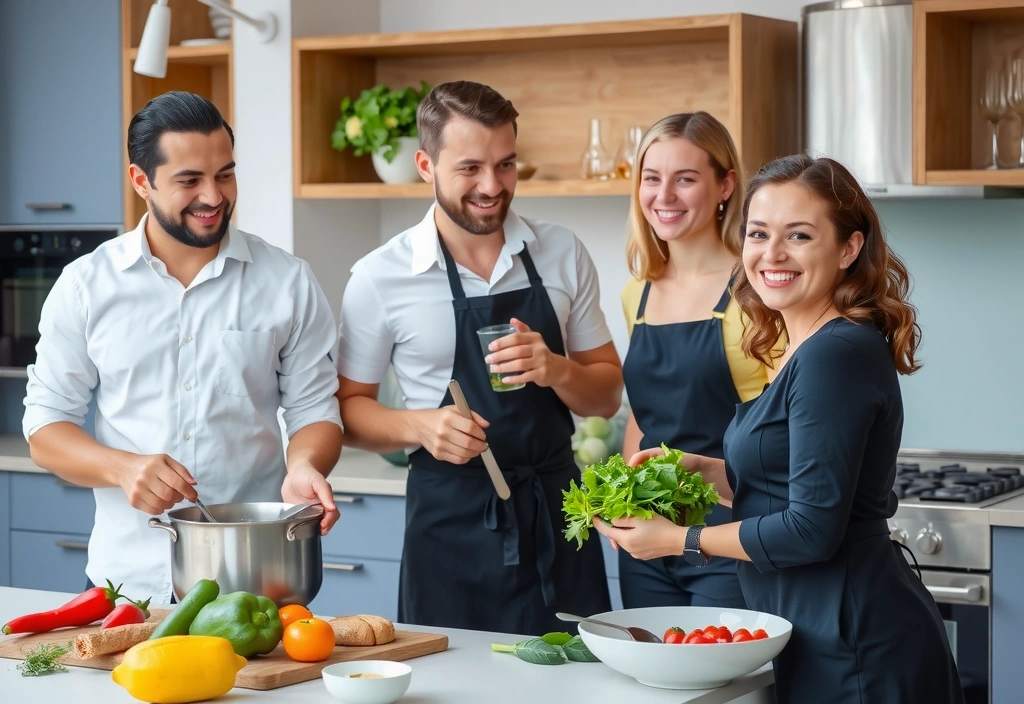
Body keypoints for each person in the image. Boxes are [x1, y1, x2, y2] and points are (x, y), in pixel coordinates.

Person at [596, 154, 965, 703]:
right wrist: (707, 473)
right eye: (758, 233)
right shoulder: (804, 345)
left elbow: (811, 528)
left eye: (798, 235)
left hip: (857, 644)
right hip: (822, 630)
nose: (771, 254)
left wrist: (680, 540)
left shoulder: (833, 354)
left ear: (849, 248)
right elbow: (791, 484)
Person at [23, 91, 344, 604]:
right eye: (189, 180)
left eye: (225, 174)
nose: (213, 196)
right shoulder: (86, 286)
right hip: (127, 585)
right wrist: (122, 468)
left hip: (255, 582)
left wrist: (305, 465)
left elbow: (315, 411)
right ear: (141, 181)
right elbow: (45, 428)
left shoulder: (288, 282)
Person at [335, 81, 622, 633]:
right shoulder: (380, 277)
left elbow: (607, 396)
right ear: (426, 165)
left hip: (559, 516)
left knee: (579, 673)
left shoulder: (561, 252)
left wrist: (556, 368)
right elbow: (347, 411)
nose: (492, 186)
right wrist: (421, 427)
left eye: (505, 165)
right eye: (470, 168)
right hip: (449, 528)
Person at [618, 112, 776, 610]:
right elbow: (644, 415)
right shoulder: (637, 293)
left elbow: (785, 428)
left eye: (684, 179)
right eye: (651, 178)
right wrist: (624, 500)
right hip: (648, 533)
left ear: (725, 185)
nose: (663, 196)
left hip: (730, 533)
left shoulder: (758, 292)